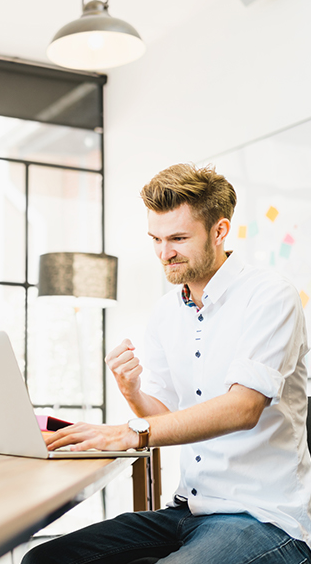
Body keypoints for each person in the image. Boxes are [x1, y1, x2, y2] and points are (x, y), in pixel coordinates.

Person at [23, 163, 311, 564]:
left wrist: (130, 431)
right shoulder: (165, 312)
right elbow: (163, 417)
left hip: (261, 516)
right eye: (155, 239)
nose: (164, 253)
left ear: (220, 231)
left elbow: (244, 408)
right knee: (45, 559)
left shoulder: (269, 296)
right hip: (187, 510)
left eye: (177, 238)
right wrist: (133, 392)